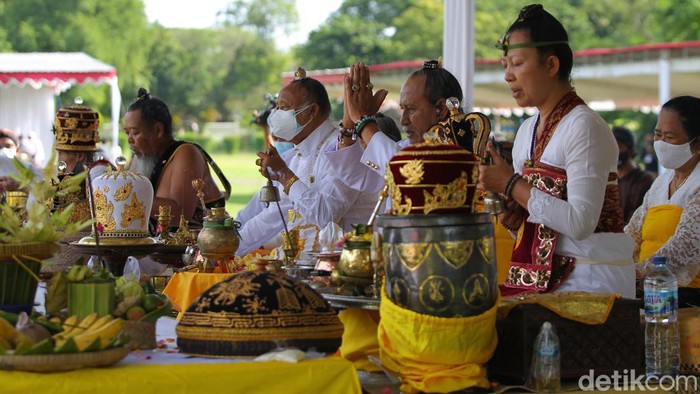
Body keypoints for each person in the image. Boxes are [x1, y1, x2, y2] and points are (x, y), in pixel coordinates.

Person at [478, 4, 635, 298]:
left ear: (551, 65)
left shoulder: (584, 126)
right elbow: (542, 224)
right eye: (505, 66)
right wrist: (516, 220)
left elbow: (579, 222)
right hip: (541, 280)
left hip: (592, 280)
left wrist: (511, 184)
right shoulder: (526, 131)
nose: (508, 76)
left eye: (517, 63)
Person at [235, 68, 378, 257]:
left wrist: (284, 176)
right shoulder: (297, 157)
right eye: (277, 108)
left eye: (284, 108)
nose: (276, 115)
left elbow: (327, 215)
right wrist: (228, 249)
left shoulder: (343, 151)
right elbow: (272, 217)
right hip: (301, 266)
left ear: (311, 111)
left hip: (343, 267)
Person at [333, 60, 467, 194]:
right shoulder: (405, 147)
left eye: (411, 109)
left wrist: (363, 121)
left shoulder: (462, 152)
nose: (403, 120)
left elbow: (408, 173)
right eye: (403, 109)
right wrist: (349, 124)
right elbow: (358, 176)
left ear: (441, 108)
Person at [626, 96, 700, 303]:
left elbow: (685, 245)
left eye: (670, 137)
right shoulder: (661, 182)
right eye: (658, 135)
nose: (661, 143)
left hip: (688, 298)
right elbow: (632, 233)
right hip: (649, 292)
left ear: (697, 144)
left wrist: (639, 272)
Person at [124, 88, 229, 228]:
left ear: (158, 130)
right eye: (127, 133)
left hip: (198, 247)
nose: (129, 139)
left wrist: (127, 195)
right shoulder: (141, 157)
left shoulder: (186, 153)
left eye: (135, 132)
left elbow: (180, 215)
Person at [613, 126, 655, 224]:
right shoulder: (608, 180)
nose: (614, 152)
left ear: (630, 149)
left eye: (618, 147)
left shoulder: (644, 180)